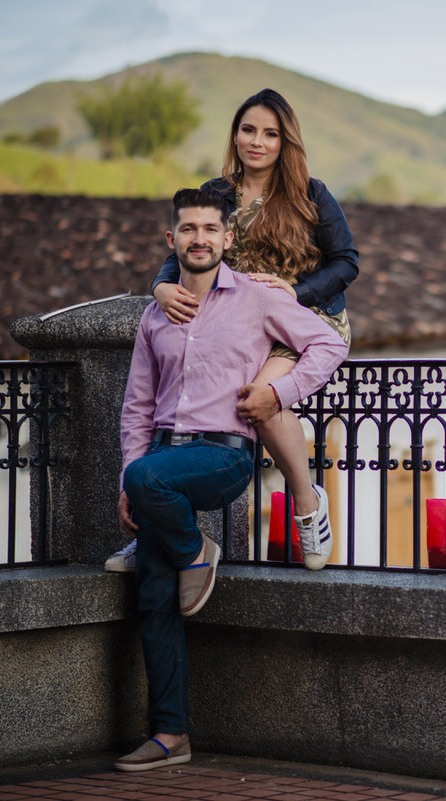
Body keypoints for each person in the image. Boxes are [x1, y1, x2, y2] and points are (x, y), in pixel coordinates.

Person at [114, 187, 348, 771]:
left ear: (227, 238)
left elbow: (327, 342)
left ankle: (198, 553)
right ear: (172, 241)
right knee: (152, 597)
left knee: (151, 486)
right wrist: (127, 482)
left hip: (223, 456)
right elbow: (137, 407)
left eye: (209, 229)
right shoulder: (154, 315)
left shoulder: (253, 299)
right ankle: (171, 735)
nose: (199, 238)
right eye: (187, 229)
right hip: (160, 464)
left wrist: (279, 393)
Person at [106, 88, 357, 574]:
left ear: (286, 142)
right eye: (248, 130)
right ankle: (155, 534)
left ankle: (307, 505)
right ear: (235, 135)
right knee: (172, 413)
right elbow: (182, 250)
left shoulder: (310, 193)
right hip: (244, 321)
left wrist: (294, 293)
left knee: (257, 401)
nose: (257, 142)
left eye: (270, 134)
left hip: (305, 317)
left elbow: (346, 262)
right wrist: (160, 289)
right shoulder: (216, 193)